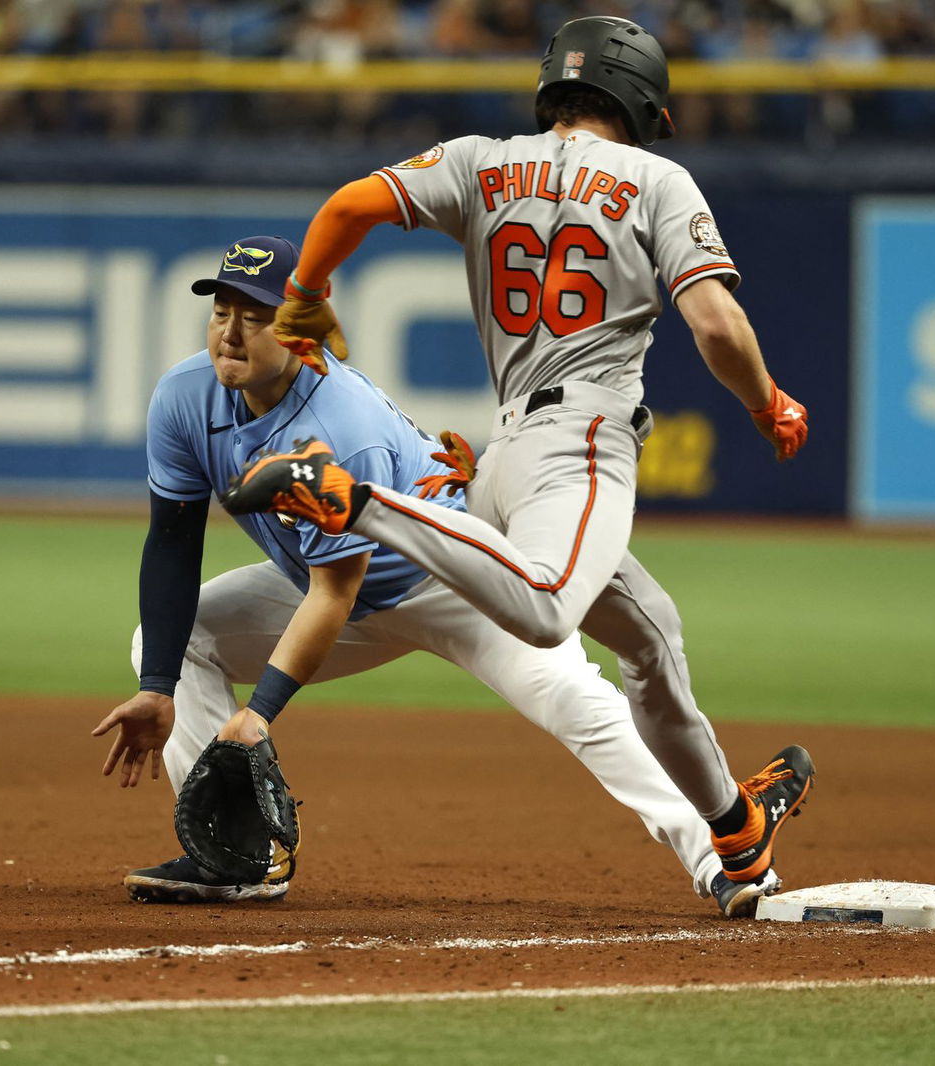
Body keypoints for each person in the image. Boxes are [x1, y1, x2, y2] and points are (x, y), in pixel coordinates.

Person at [219, 16, 814, 912]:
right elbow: (719, 327)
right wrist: (770, 402)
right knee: (543, 612)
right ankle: (347, 496)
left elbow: (345, 208)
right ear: (644, 101)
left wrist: (303, 294)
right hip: (576, 448)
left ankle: (734, 833)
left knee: (651, 640)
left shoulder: (479, 159)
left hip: (505, 459)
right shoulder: (658, 178)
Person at [91, 234, 756, 914]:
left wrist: (258, 714)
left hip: (453, 582)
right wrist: (156, 688)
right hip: (336, 594)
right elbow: (173, 542)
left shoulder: (340, 425)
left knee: (575, 703)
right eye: (221, 309)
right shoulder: (183, 398)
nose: (231, 333)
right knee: (169, 643)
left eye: (255, 315)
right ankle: (236, 855)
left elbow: (335, 591)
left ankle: (724, 856)